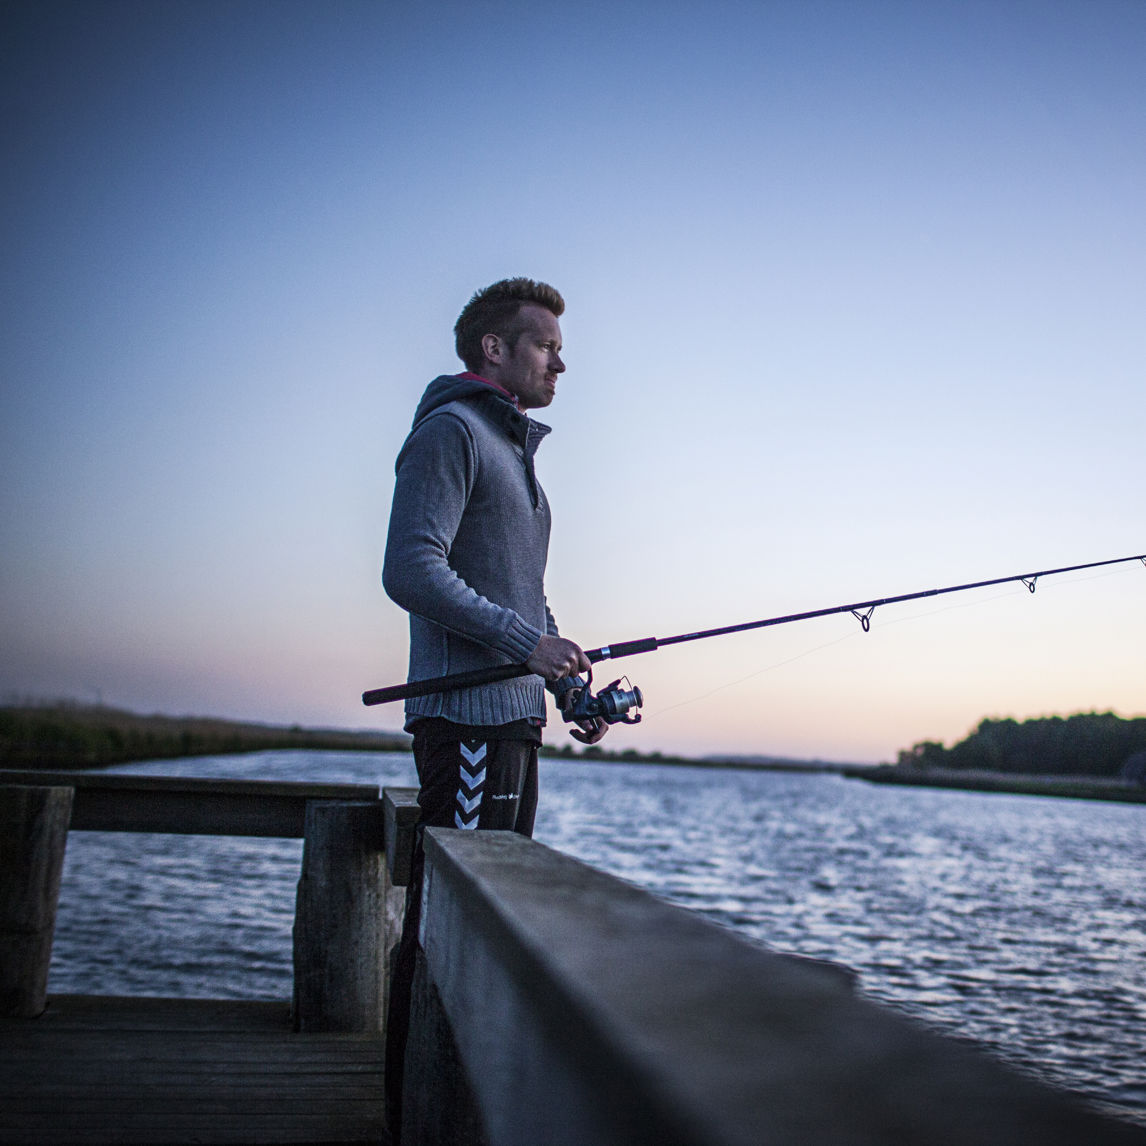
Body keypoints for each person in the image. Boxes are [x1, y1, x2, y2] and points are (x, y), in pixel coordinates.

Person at [380, 277, 608, 1137]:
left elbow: (524, 599)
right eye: (545, 344)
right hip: (467, 727)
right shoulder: (451, 433)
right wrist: (524, 645)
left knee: (494, 916)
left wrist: (565, 680)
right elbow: (412, 569)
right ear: (495, 350)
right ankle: (413, 1119)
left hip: (514, 719)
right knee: (451, 928)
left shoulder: (515, 454)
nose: (561, 360)